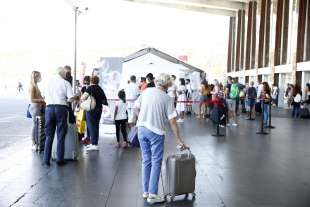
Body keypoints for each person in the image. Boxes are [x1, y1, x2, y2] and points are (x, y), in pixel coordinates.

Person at [134, 73, 189, 205]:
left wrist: (142, 118)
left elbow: (136, 108)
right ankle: (152, 195)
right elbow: (173, 122)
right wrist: (179, 140)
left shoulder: (146, 91)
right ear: (168, 85)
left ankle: (146, 191)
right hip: (156, 132)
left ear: (157, 81)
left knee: (146, 160)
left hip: (141, 128)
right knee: (156, 162)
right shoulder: (167, 99)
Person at [43, 67, 79, 167]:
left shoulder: (48, 83)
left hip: (49, 109)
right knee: (61, 135)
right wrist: (76, 97)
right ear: (63, 74)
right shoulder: (65, 83)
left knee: (49, 136)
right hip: (61, 109)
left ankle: (46, 160)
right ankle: (59, 159)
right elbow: (71, 98)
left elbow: (44, 96)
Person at [81, 76, 108, 151]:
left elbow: (83, 98)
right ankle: (94, 143)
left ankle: (94, 144)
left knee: (91, 126)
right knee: (96, 126)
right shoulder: (100, 89)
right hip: (99, 109)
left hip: (91, 109)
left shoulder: (90, 88)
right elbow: (104, 100)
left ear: (91, 81)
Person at [29, 71, 45, 150]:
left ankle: (36, 142)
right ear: (35, 77)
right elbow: (32, 99)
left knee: (36, 125)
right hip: (35, 107)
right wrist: (42, 100)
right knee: (35, 125)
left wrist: (42, 99)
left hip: (38, 107)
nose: (40, 78)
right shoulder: (32, 86)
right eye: (38, 76)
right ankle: (33, 142)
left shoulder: (36, 86)